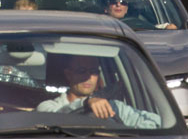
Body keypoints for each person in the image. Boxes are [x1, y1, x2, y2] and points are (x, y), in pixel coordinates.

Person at [35, 54, 164, 128]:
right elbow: (56, 118)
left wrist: (127, 134)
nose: (88, 77)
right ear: (68, 74)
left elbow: (158, 122)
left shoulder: (114, 107)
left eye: (93, 71)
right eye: (81, 71)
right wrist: (86, 104)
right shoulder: (48, 107)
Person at [102, 0, 175, 30]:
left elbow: (156, 28)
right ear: (105, 8)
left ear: (126, 9)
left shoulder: (139, 24)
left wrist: (168, 27)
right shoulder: (100, 26)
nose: (118, 5)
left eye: (123, 2)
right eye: (113, 2)